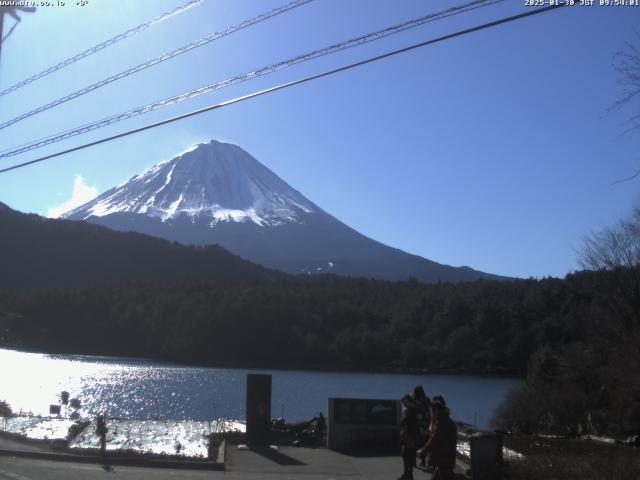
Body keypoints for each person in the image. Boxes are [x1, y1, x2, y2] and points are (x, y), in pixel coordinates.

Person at [418, 401, 457, 480]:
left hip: (443, 458)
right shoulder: (446, 420)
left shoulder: (442, 423)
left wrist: (423, 451)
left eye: (431, 412)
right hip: (445, 458)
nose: (431, 415)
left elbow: (434, 440)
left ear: (436, 411)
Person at [399, 394, 419, 480]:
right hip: (413, 435)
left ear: (408, 401)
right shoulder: (414, 410)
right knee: (409, 455)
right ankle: (408, 473)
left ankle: (407, 474)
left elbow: (403, 422)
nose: (403, 404)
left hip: (409, 436)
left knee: (406, 454)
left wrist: (404, 415)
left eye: (404, 402)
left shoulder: (409, 411)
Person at [411, 385, 431, 467]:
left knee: (416, 442)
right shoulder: (427, 400)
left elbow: (411, 411)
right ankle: (423, 460)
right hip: (426, 424)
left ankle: (415, 462)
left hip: (417, 424)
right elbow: (431, 409)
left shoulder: (414, 401)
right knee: (424, 442)